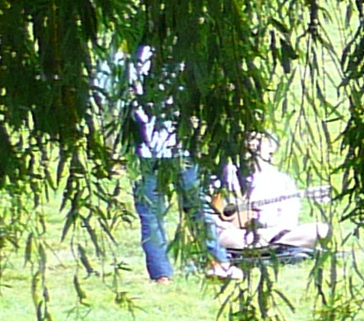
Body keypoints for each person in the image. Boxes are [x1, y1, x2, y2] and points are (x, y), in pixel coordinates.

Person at [104, 49, 228, 283]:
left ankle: (163, 274)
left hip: (149, 146)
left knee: (153, 213)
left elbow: (109, 99)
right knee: (195, 207)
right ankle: (217, 261)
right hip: (175, 144)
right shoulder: (180, 50)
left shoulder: (124, 55)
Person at [216, 134, 327, 264]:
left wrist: (259, 221)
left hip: (269, 235)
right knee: (220, 236)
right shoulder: (226, 174)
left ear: (270, 150)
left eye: (259, 140)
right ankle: (280, 252)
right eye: (249, 139)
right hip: (234, 236)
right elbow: (211, 214)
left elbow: (288, 224)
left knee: (321, 230)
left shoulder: (282, 181)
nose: (251, 144)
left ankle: (264, 250)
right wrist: (235, 222)